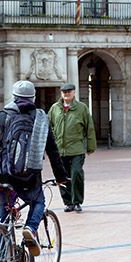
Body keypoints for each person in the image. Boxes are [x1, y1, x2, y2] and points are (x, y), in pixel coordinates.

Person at [0, 80, 68, 256]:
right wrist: (60, 176)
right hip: (29, 178)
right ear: (33, 98)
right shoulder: (41, 118)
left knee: (0, 217)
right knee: (39, 202)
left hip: (3, 176)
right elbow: (52, 150)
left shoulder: (1, 116)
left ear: (14, 97)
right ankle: (30, 228)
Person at [47, 83, 96, 213]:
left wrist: (91, 146)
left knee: (76, 173)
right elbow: (48, 126)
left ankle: (77, 201)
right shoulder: (54, 108)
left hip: (77, 149)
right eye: (64, 92)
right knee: (62, 176)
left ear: (74, 93)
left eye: (69, 92)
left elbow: (89, 128)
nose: (66, 94)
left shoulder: (82, 108)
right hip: (59, 149)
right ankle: (68, 202)